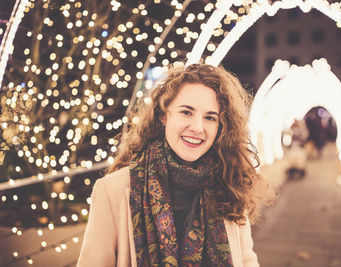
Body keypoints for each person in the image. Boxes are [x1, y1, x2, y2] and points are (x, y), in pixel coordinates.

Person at [77, 63, 266, 266]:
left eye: (210, 117)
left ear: (221, 127)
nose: (197, 127)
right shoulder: (111, 191)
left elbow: (246, 260)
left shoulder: (229, 182)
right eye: (186, 112)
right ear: (163, 115)